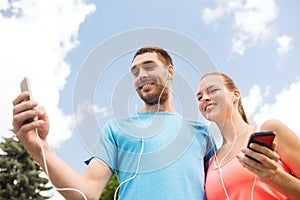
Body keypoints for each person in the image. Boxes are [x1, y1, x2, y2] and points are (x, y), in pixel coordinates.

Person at [12, 46, 215, 200]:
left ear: (170, 71)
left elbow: (221, 189)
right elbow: (87, 192)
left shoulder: (201, 133)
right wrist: (40, 149)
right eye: (135, 72)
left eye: (149, 67)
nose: (141, 75)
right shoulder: (117, 130)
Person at [196, 72, 300, 200]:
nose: (204, 99)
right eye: (199, 97)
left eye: (212, 91)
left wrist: (275, 177)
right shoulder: (211, 163)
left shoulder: (270, 129)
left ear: (235, 95)